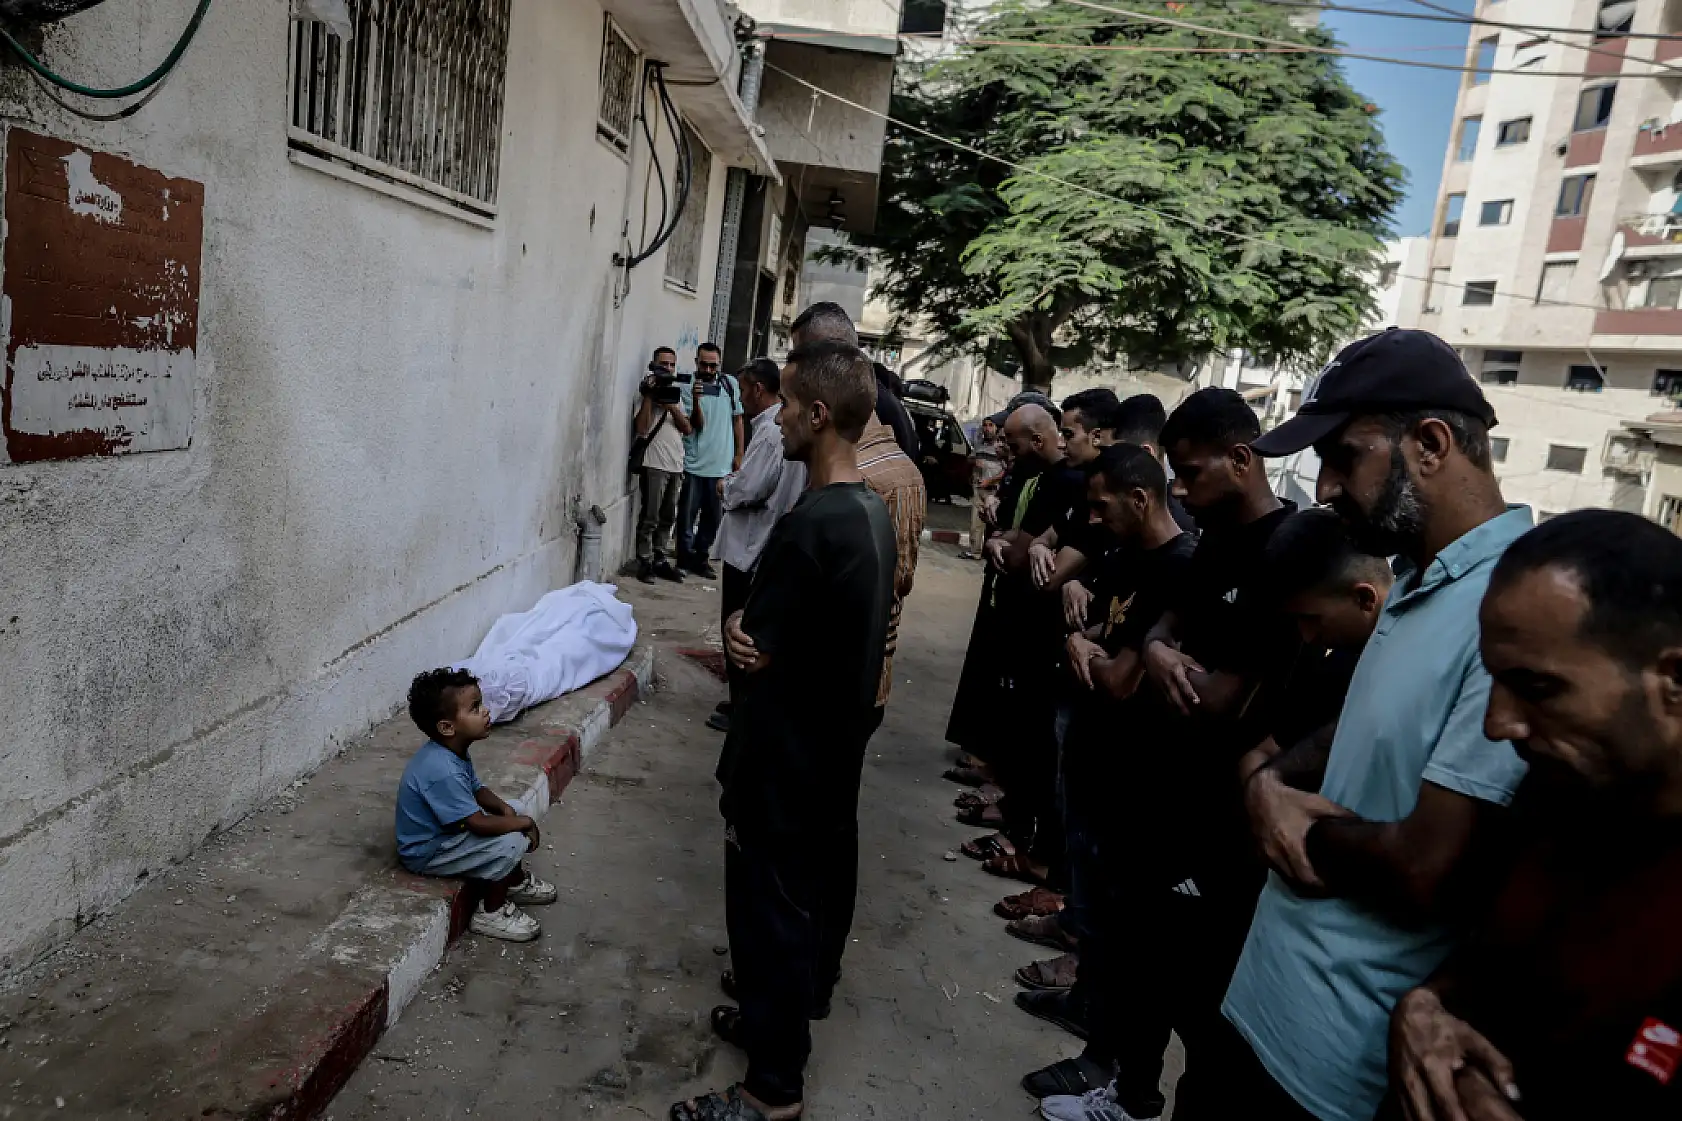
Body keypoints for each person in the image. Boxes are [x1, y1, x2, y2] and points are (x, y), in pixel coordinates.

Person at [1221, 328, 1532, 1121]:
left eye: (1343, 456)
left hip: (1330, 1069)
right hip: (1260, 1005)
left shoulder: (1515, 610)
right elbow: (1371, 726)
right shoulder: (1419, 575)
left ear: (1429, 444)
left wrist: (1291, 818)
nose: (1323, 488)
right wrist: (1273, 781)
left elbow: (1431, 862)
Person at [1026, 388, 1299, 1116]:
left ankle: (1131, 1083)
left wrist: (1158, 659)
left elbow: (1221, 693)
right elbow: (1160, 631)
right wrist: (1155, 647)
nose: (1181, 489)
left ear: (1243, 459)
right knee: (1138, 955)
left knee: (1195, 996)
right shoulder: (1211, 545)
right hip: (1157, 788)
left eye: (1191, 472)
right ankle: (1126, 1085)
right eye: (1172, 473)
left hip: (1222, 814)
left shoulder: (1286, 549)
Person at [1388, 510, 1682, 1121]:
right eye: (1495, 682)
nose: (1499, 725)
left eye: (1539, 688)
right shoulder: (1554, 800)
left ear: (1673, 681)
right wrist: (1424, 1008)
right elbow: (1487, 962)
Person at [672, 341, 895, 1121]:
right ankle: (775, 1030)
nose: (780, 418)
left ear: (820, 415)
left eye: (791, 406)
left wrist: (738, 621)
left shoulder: (816, 523)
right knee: (791, 915)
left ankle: (772, 1090)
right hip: (822, 761)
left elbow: (755, 644)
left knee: (768, 920)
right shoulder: (867, 511)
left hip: (783, 768)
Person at [1022, 443, 1200, 1104]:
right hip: (1098, 765)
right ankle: (1087, 1012)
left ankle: (1105, 1059)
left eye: (1101, 506)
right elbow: (1097, 618)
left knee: (1121, 932)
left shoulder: (1180, 567)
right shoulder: (1129, 556)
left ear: (1140, 498)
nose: (1092, 519)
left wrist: (1085, 650)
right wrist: (1085, 632)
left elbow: (1121, 677)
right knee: (1094, 916)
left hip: (1137, 779)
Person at [787, 303, 926, 715]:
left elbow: (891, 582)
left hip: (839, 683)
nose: (781, 416)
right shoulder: (821, 453)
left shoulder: (884, 458)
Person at [394, 668, 557, 943]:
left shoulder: (452, 750)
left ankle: (514, 882)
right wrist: (523, 824)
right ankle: (491, 913)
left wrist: (508, 811)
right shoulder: (442, 769)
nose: (485, 712)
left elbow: (476, 789)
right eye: (475, 708)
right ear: (447, 727)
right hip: (428, 851)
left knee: (515, 809)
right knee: (512, 841)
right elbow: (476, 823)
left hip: (449, 832)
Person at [711, 358, 807, 734]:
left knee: (738, 630)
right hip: (757, 545)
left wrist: (726, 486)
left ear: (756, 389)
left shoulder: (770, 433)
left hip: (750, 549)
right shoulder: (774, 431)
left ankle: (741, 709)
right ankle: (740, 702)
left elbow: (749, 488)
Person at [676, 342, 745, 579]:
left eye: (712, 365)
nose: (708, 369)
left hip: (721, 465)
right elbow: (695, 425)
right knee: (686, 515)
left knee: (713, 518)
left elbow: (738, 420)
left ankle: (701, 556)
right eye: (703, 364)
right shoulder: (686, 386)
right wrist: (695, 400)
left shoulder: (729, 384)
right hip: (694, 463)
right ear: (696, 362)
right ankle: (684, 557)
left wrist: (739, 454)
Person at [633, 346, 694, 584]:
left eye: (671, 365)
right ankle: (644, 561)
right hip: (654, 464)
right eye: (663, 364)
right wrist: (650, 396)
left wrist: (671, 406)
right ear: (653, 366)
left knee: (668, 516)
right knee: (650, 516)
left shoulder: (677, 395)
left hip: (675, 464)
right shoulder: (647, 393)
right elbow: (641, 428)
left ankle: (660, 558)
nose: (667, 369)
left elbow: (687, 429)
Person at [966, 415, 1004, 560]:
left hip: (994, 491)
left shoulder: (1001, 446)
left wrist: (990, 481)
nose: (987, 428)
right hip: (979, 488)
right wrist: (974, 462)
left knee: (994, 523)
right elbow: (970, 458)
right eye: (985, 425)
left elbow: (1005, 471)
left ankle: (991, 553)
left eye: (990, 425)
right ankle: (974, 551)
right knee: (975, 522)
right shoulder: (980, 444)